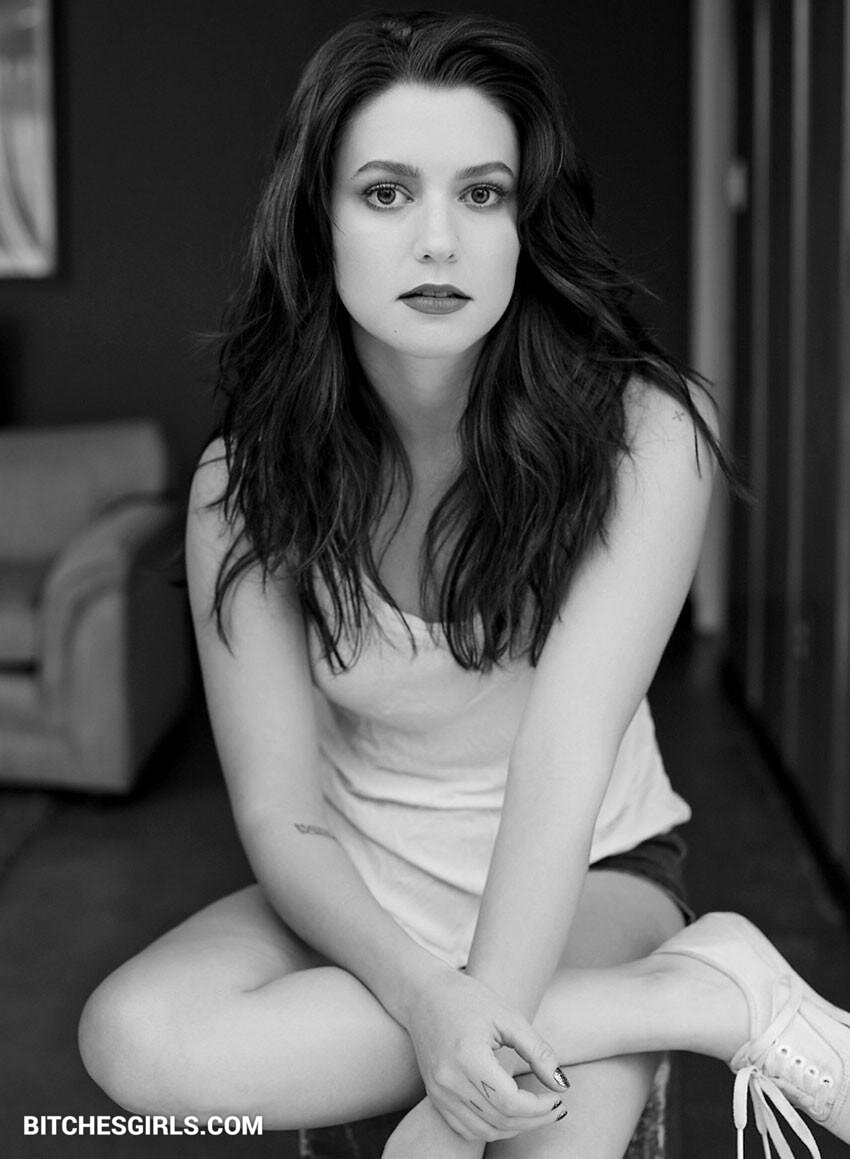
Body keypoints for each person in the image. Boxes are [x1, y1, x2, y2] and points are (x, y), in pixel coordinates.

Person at [78, 11, 849, 1158]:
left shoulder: (644, 433)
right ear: (319, 220)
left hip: (585, 873)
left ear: (525, 226)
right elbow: (280, 814)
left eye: (482, 194)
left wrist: (447, 1111)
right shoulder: (241, 485)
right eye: (385, 192)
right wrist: (426, 998)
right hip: (360, 886)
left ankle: (662, 975)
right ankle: (687, 998)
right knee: (133, 1039)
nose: (437, 240)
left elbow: (562, 758)